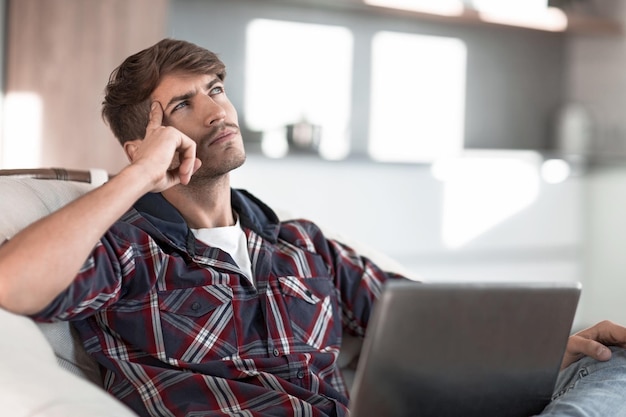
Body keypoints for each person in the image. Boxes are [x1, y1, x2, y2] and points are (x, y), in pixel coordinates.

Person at [0, 38, 625, 417]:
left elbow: (432, 325)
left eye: (216, 89)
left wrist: (554, 342)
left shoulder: (303, 246)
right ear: (145, 142)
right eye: (184, 104)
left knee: (613, 366)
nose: (218, 109)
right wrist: (136, 178)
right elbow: (12, 285)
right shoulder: (126, 249)